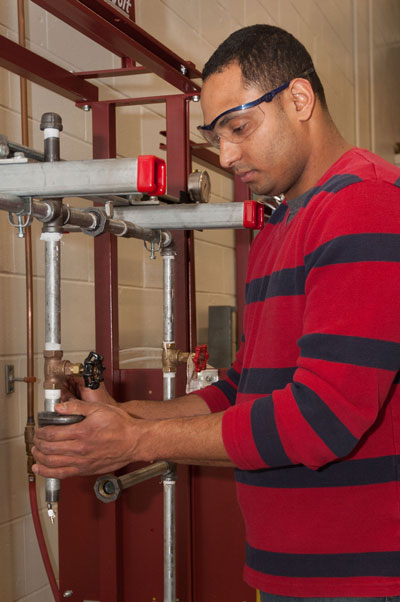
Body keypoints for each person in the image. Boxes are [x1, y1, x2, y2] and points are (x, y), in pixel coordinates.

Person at [33, 24, 400, 601]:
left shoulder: (365, 203)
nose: (227, 154)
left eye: (238, 127)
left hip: (358, 579)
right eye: (216, 133)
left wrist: (136, 445)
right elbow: (240, 388)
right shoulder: (280, 224)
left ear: (299, 100)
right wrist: (128, 418)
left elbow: (321, 418)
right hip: (283, 568)